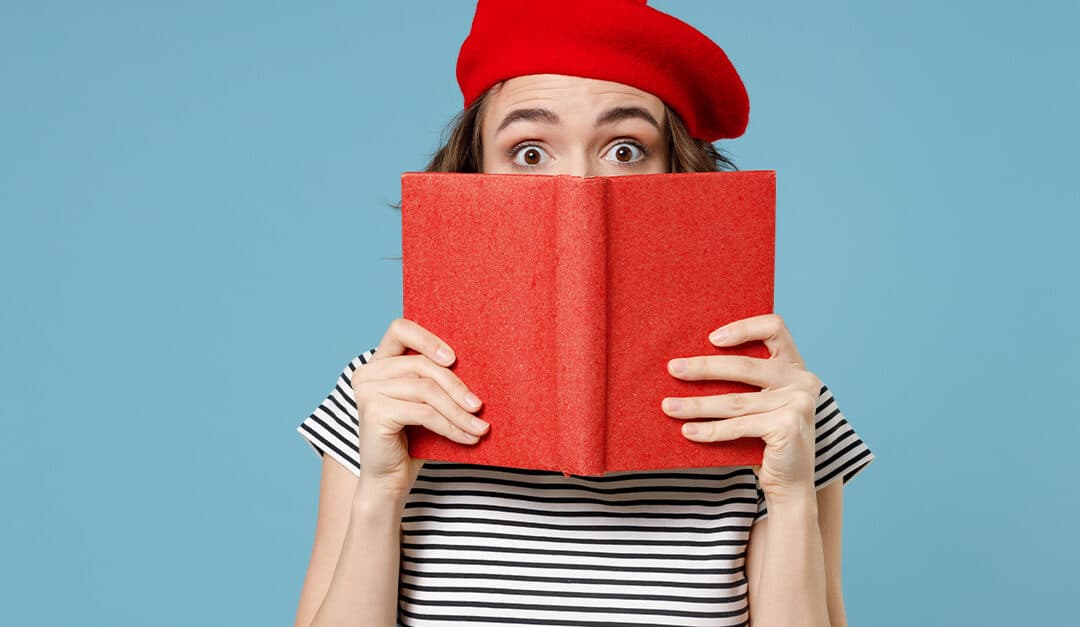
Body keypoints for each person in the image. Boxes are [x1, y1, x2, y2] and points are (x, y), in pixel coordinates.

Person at [293, 1, 875, 625]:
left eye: (626, 150)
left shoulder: (774, 402)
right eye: (530, 153)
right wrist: (380, 493)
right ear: (472, 175)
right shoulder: (387, 393)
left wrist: (790, 498)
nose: (580, 189)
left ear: (680, 175)